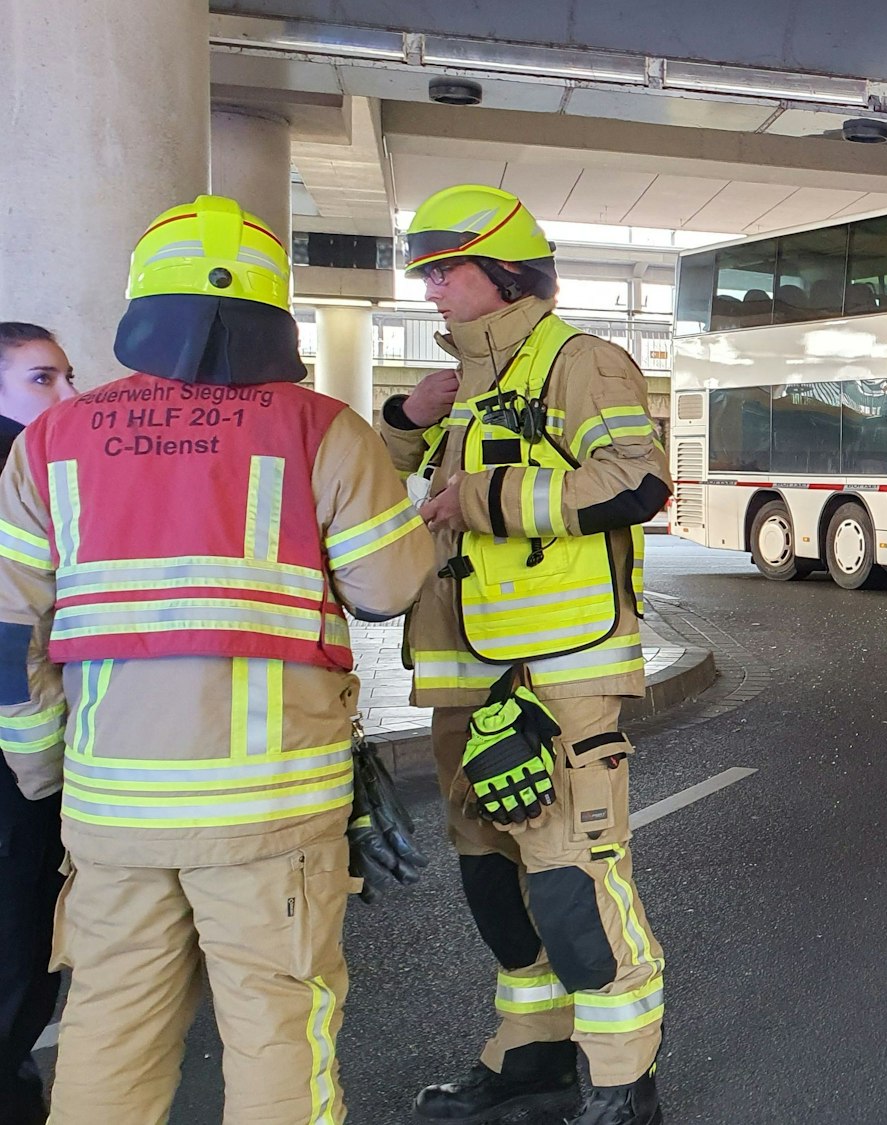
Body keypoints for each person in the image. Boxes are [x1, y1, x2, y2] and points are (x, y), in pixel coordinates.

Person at [0, 195, 431, 1123]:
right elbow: (388, 589)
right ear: (274, 312)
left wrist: (44, 770)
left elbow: (8, 636)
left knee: (109, 1032)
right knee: (279, 1032)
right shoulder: (323, 430)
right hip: (273, 812)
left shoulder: (50, 443)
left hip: (112, 807)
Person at [380, 184, 670, 1125]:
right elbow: (368, 496)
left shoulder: (578, 363)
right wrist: (404, 417)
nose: (429, 293)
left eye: (444, 272)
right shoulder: (455, 384)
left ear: (505, 272)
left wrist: (485, 497)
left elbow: (636, 482)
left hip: (559, 677)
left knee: (572, 875)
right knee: (491, 879)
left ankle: (623, 1077)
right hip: (464, 678)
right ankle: (531, 1052)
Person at [0, 323, 76, 1123]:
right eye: (41, 380)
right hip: (16, 768)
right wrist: (43, 772)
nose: (67, 398)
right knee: (18, 961)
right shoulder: (14, 479)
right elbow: (13, 639)